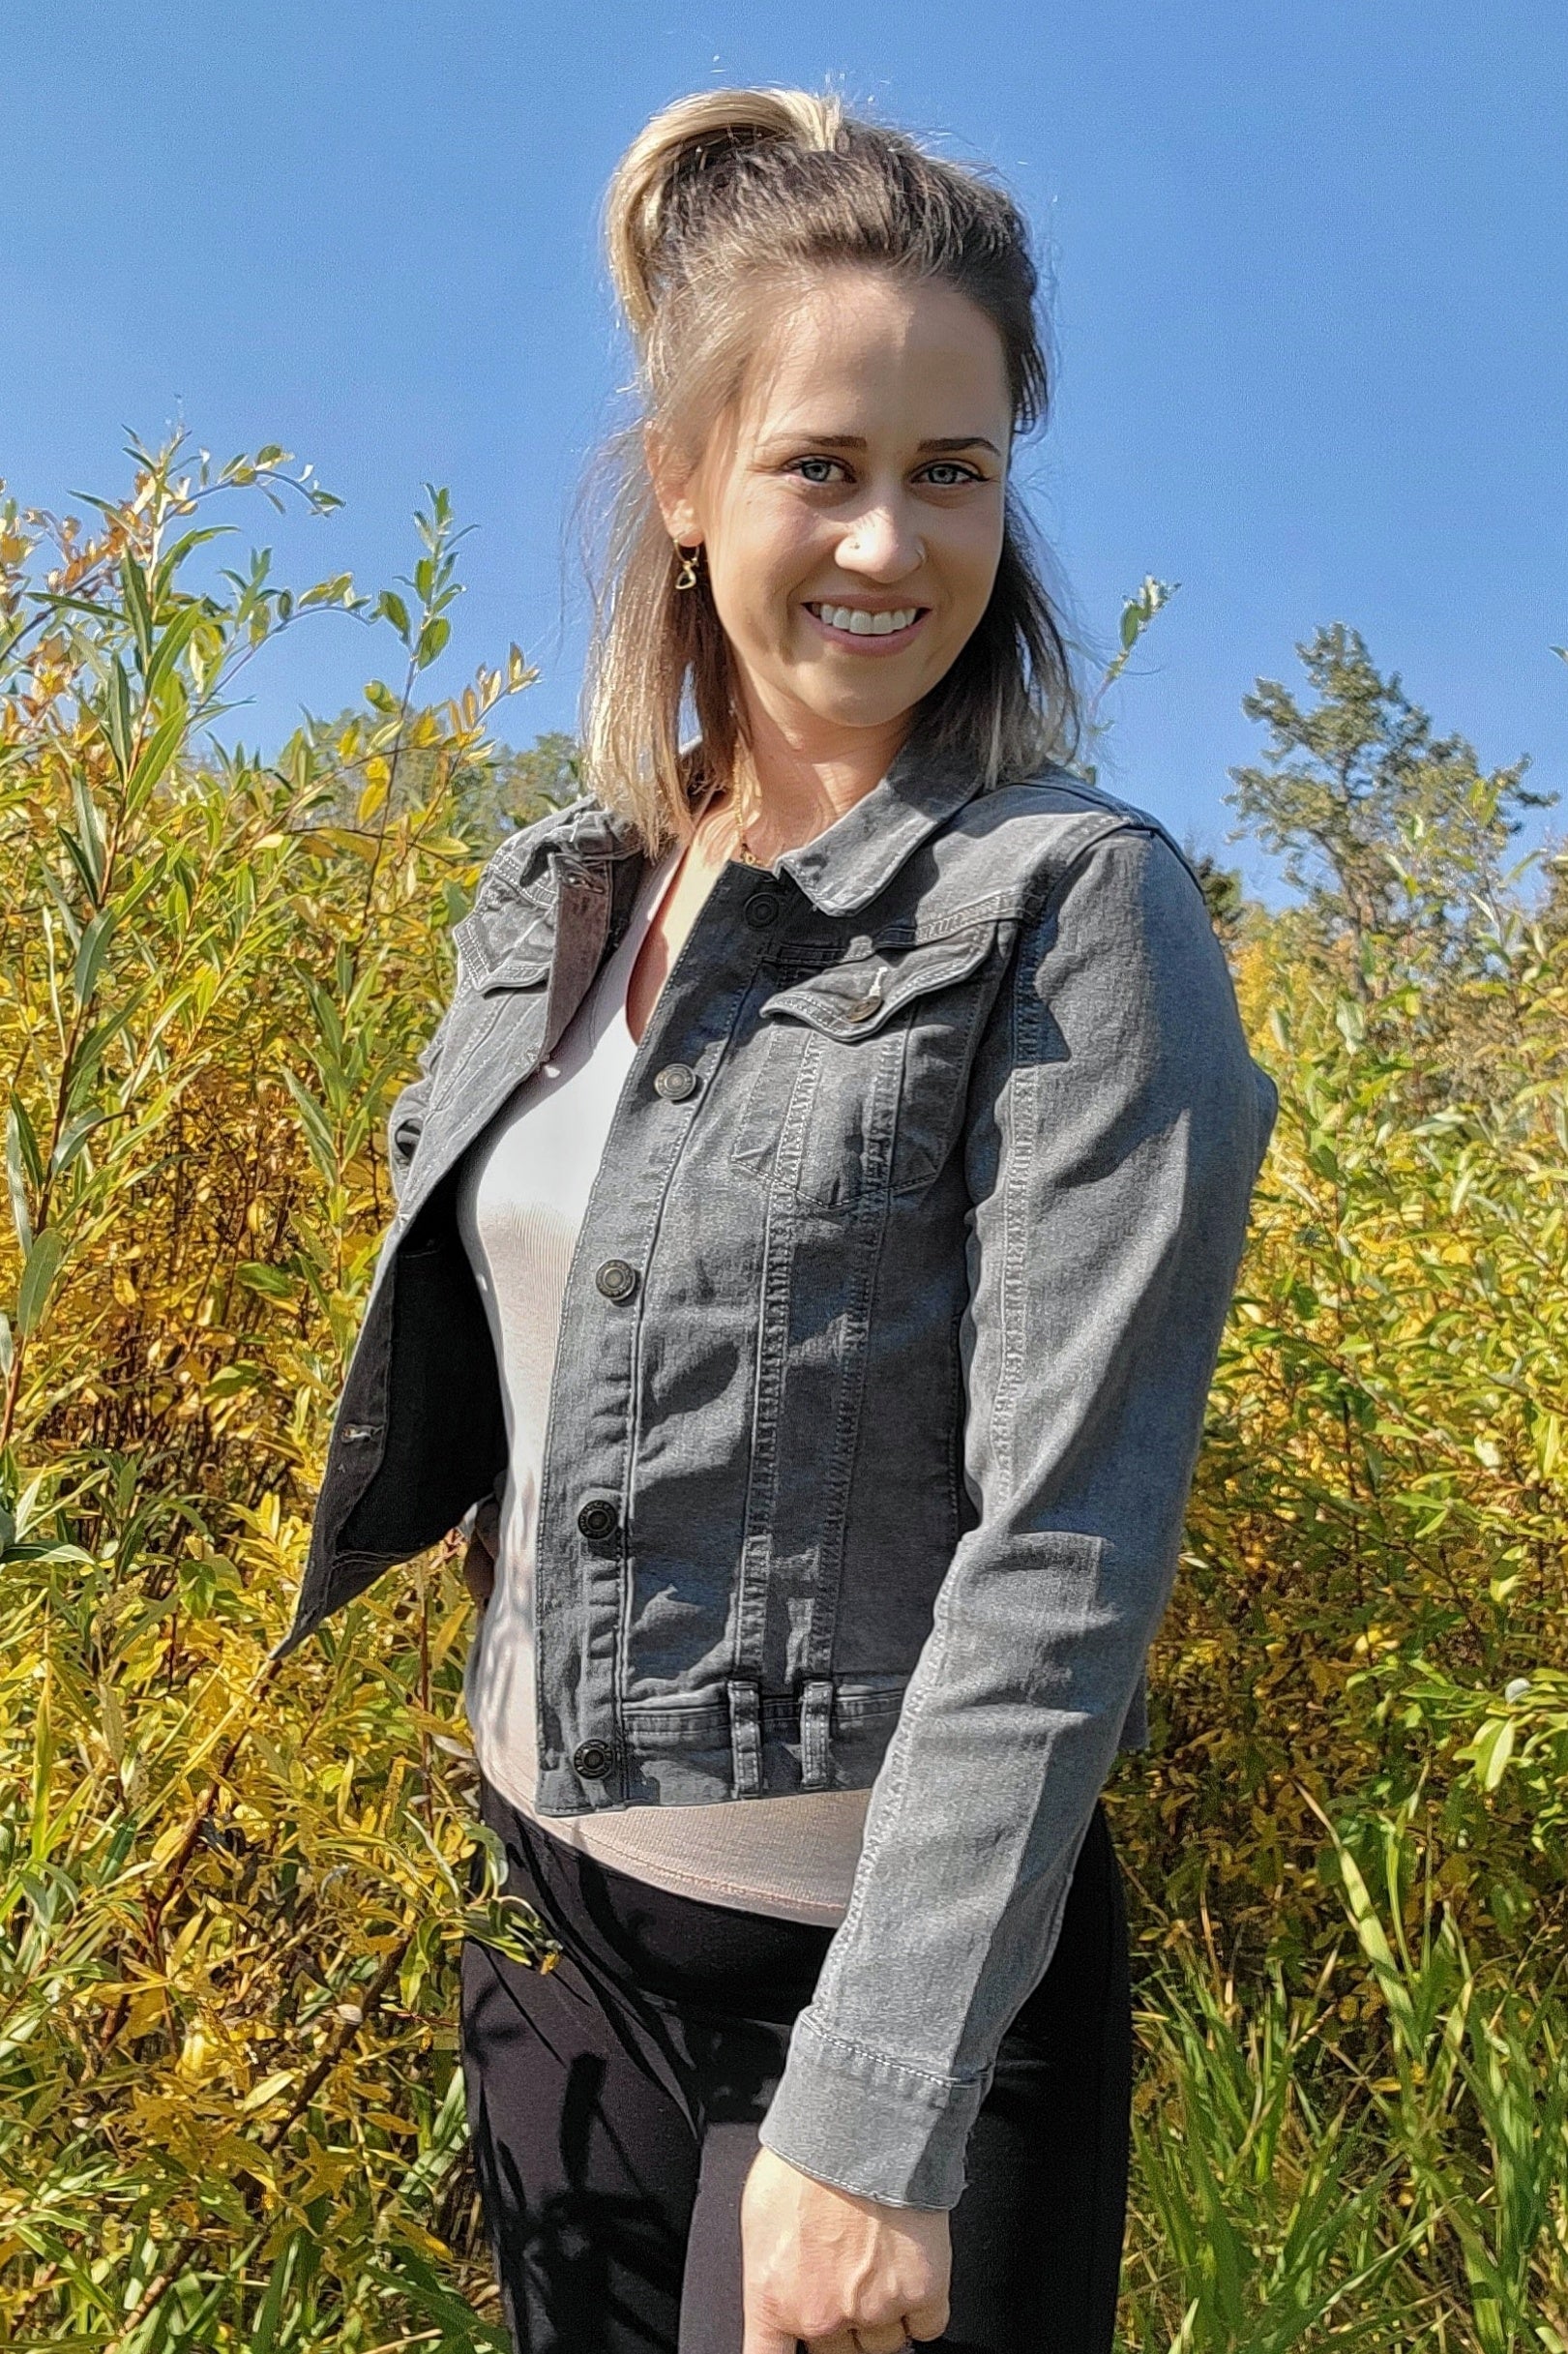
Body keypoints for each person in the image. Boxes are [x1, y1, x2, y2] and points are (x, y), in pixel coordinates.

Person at [281, 83, 1278, 2354]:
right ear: (682, 483)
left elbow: (1064, 1547)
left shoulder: (1074, 914)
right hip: (557, 1936)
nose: (884, 544)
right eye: (819, 463)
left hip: (888, 2001)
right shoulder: (561, 890)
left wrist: (877, 2104)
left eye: (954, 472)